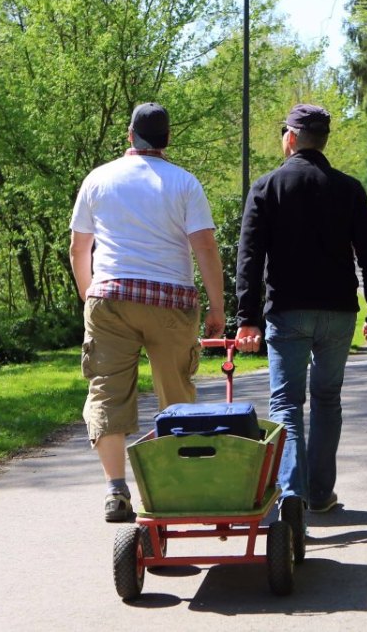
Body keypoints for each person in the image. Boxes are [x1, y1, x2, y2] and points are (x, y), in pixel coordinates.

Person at [69, 102, 225, 522]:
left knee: (107, 390)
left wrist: (90, 295)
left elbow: (79, 247)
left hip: (110, 297)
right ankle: (175, 486)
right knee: (175, 392)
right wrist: (217, 306)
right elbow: (205, 246)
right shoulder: (184, 183)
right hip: (170, 300)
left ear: (129, 135)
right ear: (167, 139)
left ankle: (116, 489)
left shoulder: (97, 179)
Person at [235, 103, 367, 515]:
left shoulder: (266, 187)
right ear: (323, 141)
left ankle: (292, 496)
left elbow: (249, 257)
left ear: (290, 138)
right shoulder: (350, 189)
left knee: (285, 403)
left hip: (286, 311)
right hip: (339, 311)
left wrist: (246, 318)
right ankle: (321, 494)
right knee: (327, 400)